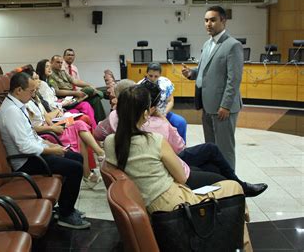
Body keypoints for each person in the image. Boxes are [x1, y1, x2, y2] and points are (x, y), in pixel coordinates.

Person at [104, 85, 252, 251]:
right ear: (146, 113)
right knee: (235, 187)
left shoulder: (111, 142)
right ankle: (243, 245)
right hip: (173, 204)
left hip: (149, 203)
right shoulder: (154, 140)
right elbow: (181, 177)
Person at [96, 80, 268, 197]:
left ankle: (238, 189)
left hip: (152, 178)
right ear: (146, 110)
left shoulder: (112, 130)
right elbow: (180, 155)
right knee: (223, 175)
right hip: (170, 184)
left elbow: (97, 134)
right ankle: (241, 188)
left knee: (211, 165)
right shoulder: (154, 135)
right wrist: (163, 119)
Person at [0, 72, 90, 230]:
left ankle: (65, 207)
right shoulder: (11, 111)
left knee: (76, 158)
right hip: (25, 161)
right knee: (75, 168)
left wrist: (47, 144)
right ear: (19, 90)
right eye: (31, 91)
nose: (33, 95)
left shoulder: (17, 106)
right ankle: (66, 214)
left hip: (33, 154)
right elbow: (24, 147)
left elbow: (30, 136)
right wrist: (51, 150)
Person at [182, 5, 244, 169]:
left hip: (223, 108)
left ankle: (231, 184)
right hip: (207, 105)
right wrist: (192, 74)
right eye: (206, 20)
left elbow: (234, 79)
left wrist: (226, 105)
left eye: (213, 20)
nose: (208, 24)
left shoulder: (232, 45)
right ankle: (216, 178)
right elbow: (205, 70)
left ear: (223, 21)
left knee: (225, 149)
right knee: (211, 147)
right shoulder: (207, 44)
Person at [26, 71, 105, 188]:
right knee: (80, 124)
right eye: (35, 79)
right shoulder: (26, 104)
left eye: (38, 78)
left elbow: (46, 116)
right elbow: (32, 127)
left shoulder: (35, 98)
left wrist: (57, 112)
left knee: (78, 122)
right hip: (46, 132)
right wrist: (53, 126)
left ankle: (98, 155)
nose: (39, 81)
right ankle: (95, 161)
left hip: (53, 124)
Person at [36, 59, 97, 128]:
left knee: (85, 105)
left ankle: (94, 132)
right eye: (47, 66)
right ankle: (95, 132)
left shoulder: (49, 81)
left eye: (50, 66)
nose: (49, 68)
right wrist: (63, 103)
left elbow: (53, 99)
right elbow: (50, 105)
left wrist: (63, 101)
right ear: (41, 69)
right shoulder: (42, 84)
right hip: (55, 115)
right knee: (83, 115)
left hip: (60, 108)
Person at [138, 62, 187, 143]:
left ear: (160, 75)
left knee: (181, 122)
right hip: (146, 115)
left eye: (156, 76)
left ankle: (181, 147)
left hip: (164, 112)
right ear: (146, 73)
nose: (153, 78)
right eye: (150, 76)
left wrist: (163, 113)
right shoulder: (139, 86)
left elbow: (171, 101)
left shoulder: (165, 82)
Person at [49, 55, 106, 122]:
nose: (60, 64)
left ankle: (101, 123)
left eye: (61, 63)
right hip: (67, 99)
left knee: (95, 99)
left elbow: (74, 81)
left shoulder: (62, 71)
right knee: (89, 90)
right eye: (58, 62)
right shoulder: (50, 75)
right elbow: (57, 92)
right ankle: (100, 93)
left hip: (75, 95)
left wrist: (90, 85)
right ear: (51, 62)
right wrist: (76, 93)